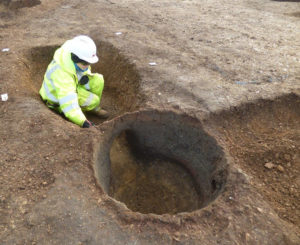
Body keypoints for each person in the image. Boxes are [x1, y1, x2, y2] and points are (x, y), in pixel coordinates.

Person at [39, 35, 108, 128]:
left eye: (89, 63)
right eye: (85, 63)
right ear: (75, 58)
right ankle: (80, 114)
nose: (88, 66)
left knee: (98, 80)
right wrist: (83, 122)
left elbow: (82, 69)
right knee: (93, 100)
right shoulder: (62, 74)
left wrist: (83, 75)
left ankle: (93, 109)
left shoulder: (73, 53)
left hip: (72, 84)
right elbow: (68, 103)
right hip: (56, 99)